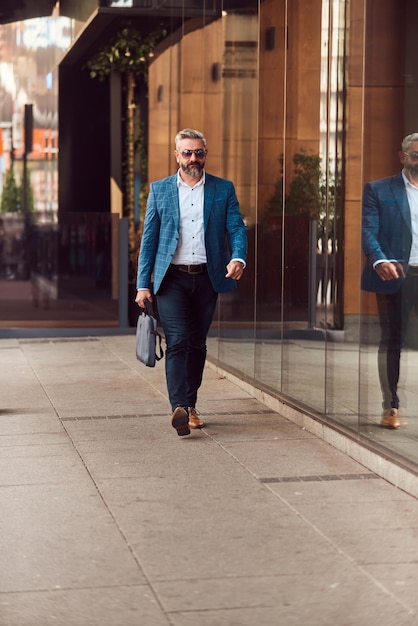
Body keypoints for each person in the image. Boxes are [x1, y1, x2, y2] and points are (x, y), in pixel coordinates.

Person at [135, 128, 247, 437]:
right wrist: (142, 285)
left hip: (208, 278)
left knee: (197, 343)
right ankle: (178, 407)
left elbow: (236, 227)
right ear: (176, 156)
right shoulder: (160, 190)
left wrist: (238, 257)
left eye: (198, 152)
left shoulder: (223, 189)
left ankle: (191, 406)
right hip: (171, 279)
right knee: (179, 340)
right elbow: (149, 240)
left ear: (205, 155)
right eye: (187, 152)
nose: (193, 158)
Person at [361, 132, 418, 429]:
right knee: (393, 339)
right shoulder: (379, 190)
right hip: (398, 274)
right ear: (403, 157)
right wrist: (380, 259)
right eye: (415, 155)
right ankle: (391, 406)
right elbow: (369, 230)